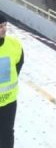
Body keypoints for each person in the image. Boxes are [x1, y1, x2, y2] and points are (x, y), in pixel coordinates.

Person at [0, 13, 24, 148]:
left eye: (5, 25)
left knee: (7, 134)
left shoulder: (14, 45)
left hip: (9, 101)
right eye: (0, 26)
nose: (4, 29)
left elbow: (19, 64)